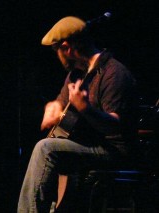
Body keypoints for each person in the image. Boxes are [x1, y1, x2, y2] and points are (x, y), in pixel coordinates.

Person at [18, 16, 138, 212]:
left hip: (113, 149)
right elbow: (61, 102)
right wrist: (53, 107)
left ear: (67, 47)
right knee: (47, 147)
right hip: (87, 143)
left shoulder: (114, 73)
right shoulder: (77, 74)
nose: (57, 56)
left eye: (57, 50)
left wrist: (85, 109)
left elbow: (115, 124)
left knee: (46, 148)